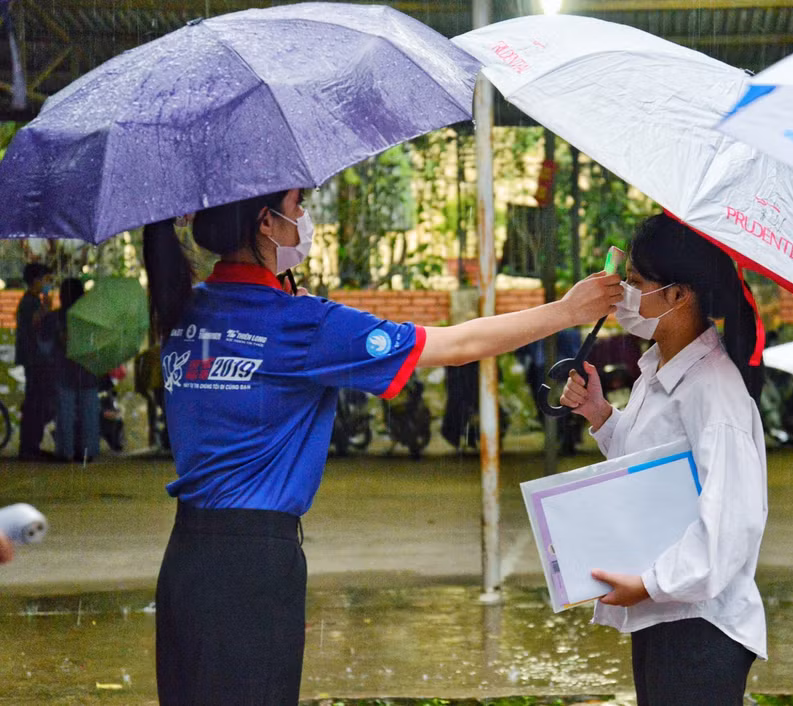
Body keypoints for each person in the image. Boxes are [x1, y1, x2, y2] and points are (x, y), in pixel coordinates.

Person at [142, 188, 623, 706]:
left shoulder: (187, 312)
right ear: (267, 222)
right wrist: (567, 310)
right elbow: (457, 345)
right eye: (298, 206)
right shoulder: (304, 324)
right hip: (253, 565)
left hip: (186, 560)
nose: (305, 219)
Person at [560, 213, 767, 705]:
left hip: (699, 625)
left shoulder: (714, 392)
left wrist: (649, 583)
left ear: (679, 295)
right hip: (667, 611)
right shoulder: (659, 369)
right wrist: (601, 414)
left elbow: (730, 525)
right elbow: (648, 469)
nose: (622, 297)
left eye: (633, 283)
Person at [46, 277, 100, 463]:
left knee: (65, 413)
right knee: (89, 414)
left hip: (64, 371)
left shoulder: (58, 316)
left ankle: (65, 451)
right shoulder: (89, 317)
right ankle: (88, 451)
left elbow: (51, 343)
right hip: (88, 369)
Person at [14, 262, 56, 460]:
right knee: (35, 401)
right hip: (34, 359)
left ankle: (32, 445)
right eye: (46, 280)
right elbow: (33, 324)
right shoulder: (29, 302)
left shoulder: (34, 300)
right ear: (36, 280)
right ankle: (29, 447)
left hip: (36, 358)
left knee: (36, 401)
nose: (48, 284)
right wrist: (46, 309)